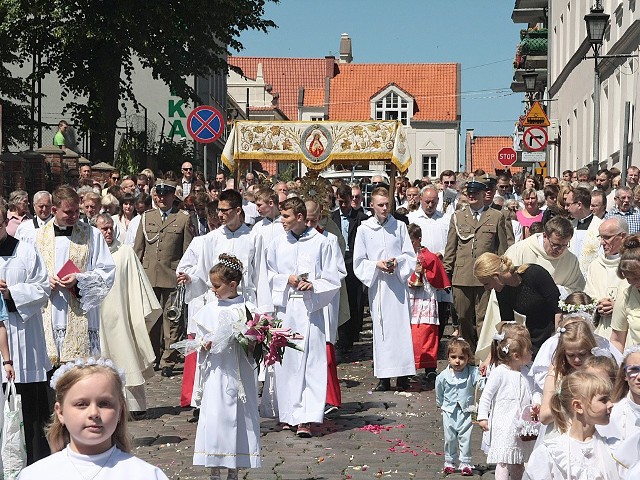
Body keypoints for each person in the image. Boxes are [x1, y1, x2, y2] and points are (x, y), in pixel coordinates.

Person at [17, 358, 169, 479]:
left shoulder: (145, 474)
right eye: (81, 404)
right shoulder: (36, 475)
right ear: (60, 412)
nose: (94, 413)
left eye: (104, 404)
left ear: (120, 410)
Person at [266, 197, 342, 437]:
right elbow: (267, 273)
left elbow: (334, 277)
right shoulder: (278, 243)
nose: (282, 220)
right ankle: (288, 414)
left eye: (286, 216)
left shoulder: (322, 243)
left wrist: (314, 285)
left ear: (300, 217)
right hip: (286, 309)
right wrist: (283, 279)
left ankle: (306, 418)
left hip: (311, 312)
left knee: (310, 363)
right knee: (286, 363)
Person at [192, 255, 261, 479]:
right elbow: (199, 341)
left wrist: (249, 339)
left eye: (217, 285)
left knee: (239, 417)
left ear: (232, 285)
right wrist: (205, 343)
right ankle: (214, 467)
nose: (213, 290)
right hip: (216, 372)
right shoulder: (208, 310)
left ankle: (234, 468)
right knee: (215, 416)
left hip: (239, 372)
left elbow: (256, 341)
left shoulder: (248, 309)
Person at [35, 187, 115, 367]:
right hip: (50, 309)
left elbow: (107, 271)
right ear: (54, 210)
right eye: (68, 212)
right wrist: (44, 280)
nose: (74, 216)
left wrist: (80, 279)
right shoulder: (38, 236)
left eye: (76, 211)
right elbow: (29, 272)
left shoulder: (92, 234)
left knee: (80, 371)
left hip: (81, 310)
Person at [95, 214, 160, 418]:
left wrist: (137, 314)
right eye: (103, 229)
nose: (108, 232)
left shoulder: (125, 252)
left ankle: (135, 405)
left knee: (127, 355)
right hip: (98, 317)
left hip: (122, 314)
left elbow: (136, 284)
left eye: (110, 228)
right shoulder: (90, 254)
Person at [0, 204, 50, 464]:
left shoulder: (26, 252)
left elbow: (42, 289)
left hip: (22, 341)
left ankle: (34, 464)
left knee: (29, 411)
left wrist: (11, 293)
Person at [354, 187, 416, 392]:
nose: (384, 208)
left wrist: (397, 263)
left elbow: (409, 255)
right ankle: (384, 376)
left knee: (401, 329)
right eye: (380, 205)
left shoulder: (399, 226)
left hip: (397, 285)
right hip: (379, 285)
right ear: (371, 205)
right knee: (381, 330)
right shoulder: (364, 229)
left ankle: (404, 375)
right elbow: (359, 261)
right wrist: (376, 265)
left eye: (387, 204)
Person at [443, 178, 513, 353]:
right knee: (463, 318)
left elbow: (503, 249)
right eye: (469, 193)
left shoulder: (497, 216)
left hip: (486, 277)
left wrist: (502, 274)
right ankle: (468, 355)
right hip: (462, 276)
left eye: (476, 193)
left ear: (484, 194)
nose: (472, 196)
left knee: (484, 318)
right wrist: (446, 272)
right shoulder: (458, 217)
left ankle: (484, 354)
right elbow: (451, 247)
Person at [134, 179, 194, 377]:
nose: (161, 198)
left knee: (172, 319)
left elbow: (188, 250)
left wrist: (186, 273)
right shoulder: (147, 217)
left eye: (165, 195)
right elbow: (139, 248)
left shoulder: (183, 218)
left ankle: (169, 359)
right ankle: (152, 356)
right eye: (158, 195)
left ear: (172, 196)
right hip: (149, 275)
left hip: (172, 275)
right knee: (151, 318)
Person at [523, 371, 618, 480]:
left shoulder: (613, 448)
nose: (611, 405)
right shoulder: (550, 453)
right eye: (603, 400)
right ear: (578, 406)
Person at [477, 324, 535, 480]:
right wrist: (482, 416)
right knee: (503, 460)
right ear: (516, 355)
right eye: (528, 351)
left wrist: (537, 403)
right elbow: (486, 396)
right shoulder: (499, 372)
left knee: (518, 460)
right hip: (503, 424)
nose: (531, 353)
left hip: (521, 426)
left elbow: (534, 391)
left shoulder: (526, 373)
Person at [474, 253, 561, 356]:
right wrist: (491, 356)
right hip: (533, 334)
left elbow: (558, 307)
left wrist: (557, 339)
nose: (486, 289)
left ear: (496, 276)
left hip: (555, 328)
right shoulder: (502, 290)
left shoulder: (534, 273)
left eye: (486, 283)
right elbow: (508, 324)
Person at [408, 185, 454, 340]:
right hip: (420, 271)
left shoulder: (445, 220)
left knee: (441, 308)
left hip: (439, 270)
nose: (429, 205)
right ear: (420, 199)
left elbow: (451, 243)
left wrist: (442, 253)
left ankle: (437, 341)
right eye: (427, 201)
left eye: (433, 202)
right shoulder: (412, 218)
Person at [407, 224, 450, 380]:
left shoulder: (429, 256)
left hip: (425, 298)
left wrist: (424, 271)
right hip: (408, 299)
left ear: (418, 240)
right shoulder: (402, 255)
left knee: (427, 333)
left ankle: (430, 367)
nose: (408, 244)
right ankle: (408, 366)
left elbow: (437, 278)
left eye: (411, 241)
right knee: (409, 334)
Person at [538, 318, 598, 425]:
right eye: (570, 355)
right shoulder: (557, 370)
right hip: (563, 428)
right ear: (563, 352)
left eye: (582, 354)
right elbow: (543, 416)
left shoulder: (598, 369)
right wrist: (570, 405)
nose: (577, 360)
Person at [331, 184, 368, 354]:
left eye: (346, 202)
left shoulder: (361, 217)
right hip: (338, 260)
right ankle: (342, 336)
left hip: (354, 260)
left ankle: (353, 334)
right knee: (340, 299)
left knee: (355, 299)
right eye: (340, 202)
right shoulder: (332, 218)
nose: (343, 205)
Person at [435, 338, 480, 476]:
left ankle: (465, 462)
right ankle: (450, 461)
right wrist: (441, 404)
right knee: (450, 437)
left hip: (467, 410)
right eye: (453, 357)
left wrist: (483, 376)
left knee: (465, 437)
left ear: (468, 358)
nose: (457, 361)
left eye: (461, 357)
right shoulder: (443, 376)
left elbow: (481, 384)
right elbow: (439, 390)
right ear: (448, 358)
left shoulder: (472, 372)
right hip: (449, 411)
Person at [584, 218, 629, 342]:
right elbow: (588, 297)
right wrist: (599, 305)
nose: (602, 243)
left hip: (627, 332)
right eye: (601, 237)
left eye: (607, 237)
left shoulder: (633, 264)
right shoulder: (595, 265)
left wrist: (618, 307)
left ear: (623, 236)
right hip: (600, 331)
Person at [611, 234, 640, 353]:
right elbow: (617, 340)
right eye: (629, 278)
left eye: (638, 277)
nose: (634, 283)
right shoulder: (626, 296)